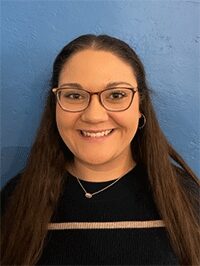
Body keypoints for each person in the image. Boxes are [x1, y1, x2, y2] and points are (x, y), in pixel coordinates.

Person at [1, 34, 199, 266]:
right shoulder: (17, 201)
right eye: (74, 95)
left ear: (140, 106)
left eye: (116, 95)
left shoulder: (188, 201)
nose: (94, 116)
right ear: (55, 105)